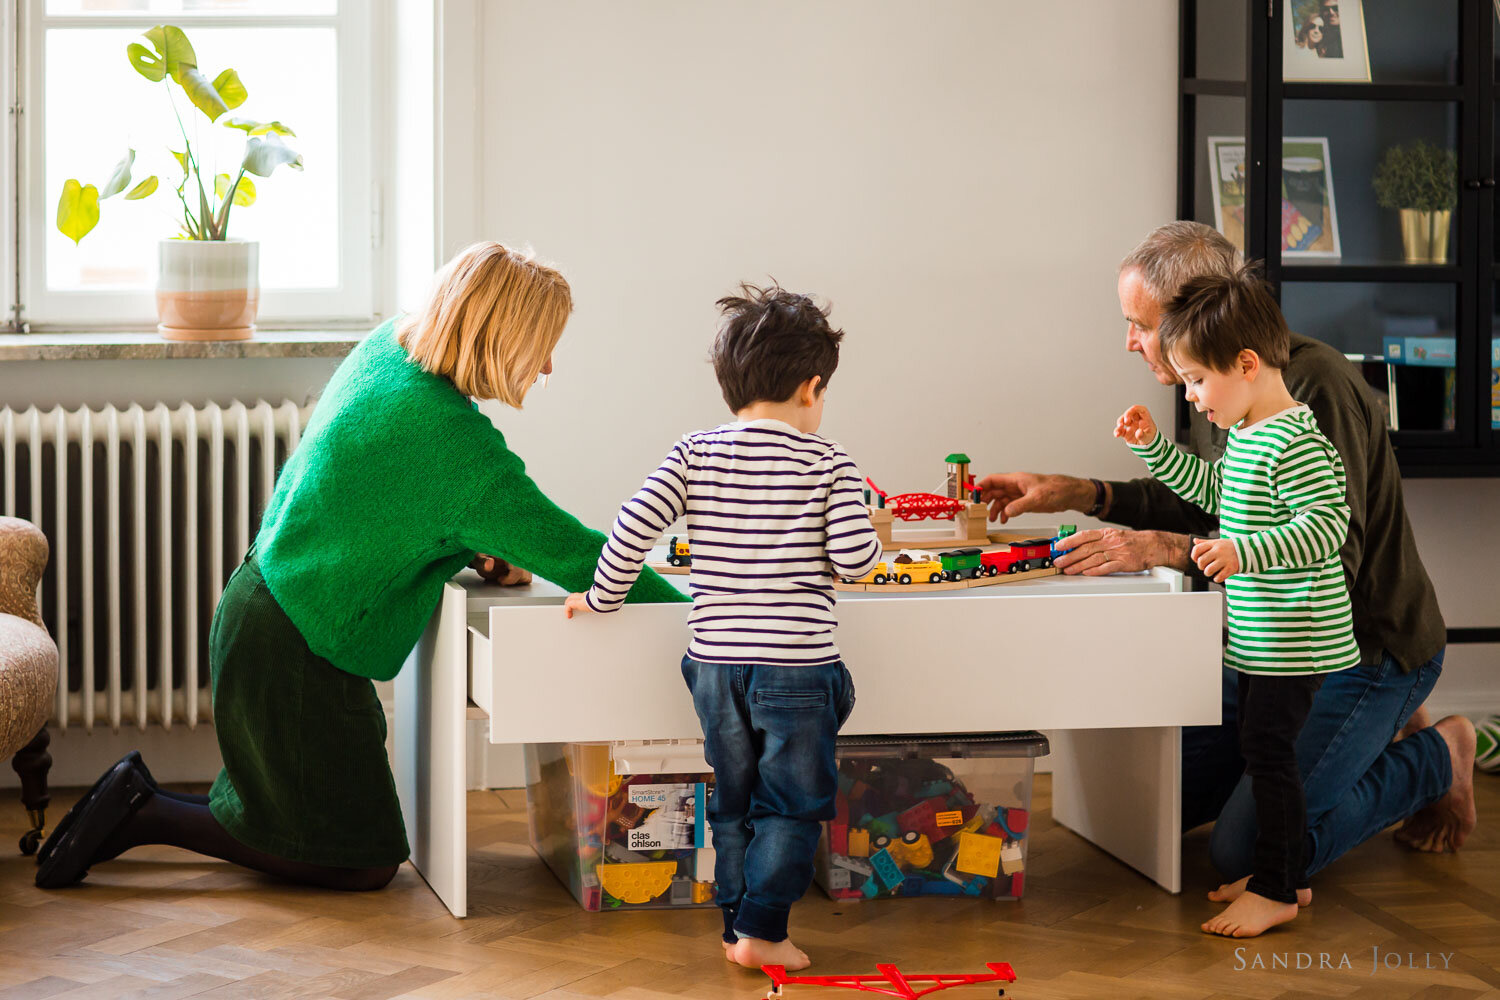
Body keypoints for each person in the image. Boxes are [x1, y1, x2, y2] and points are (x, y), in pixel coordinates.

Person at [35, 242, 687, 891]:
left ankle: (135, 797)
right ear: (503, 336)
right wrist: (693, 616)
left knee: (300, 818)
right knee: (360, 860)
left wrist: (474, 546)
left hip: (266, 608)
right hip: (296, 651)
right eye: (542, 346)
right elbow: (585, 554)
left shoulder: (391, 348)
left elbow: (379, 500)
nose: (546, 366)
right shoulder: (464, 454)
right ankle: (143, 813)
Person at [976, 221, 1476, 892]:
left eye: (1139, 322)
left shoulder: (1306, 387)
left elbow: (1332, 552)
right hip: (1270, 644)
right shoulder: (1224, 379)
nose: (1130, 341)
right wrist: (1078, 491)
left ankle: (1437, 755)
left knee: (1245, 849)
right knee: (1146, 795)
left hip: (1360, 649)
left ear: (1196, 308)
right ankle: (1347, 752)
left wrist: (1170, 550)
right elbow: (1214, 498)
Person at [564, 283, 880, 972]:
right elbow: (857, 562)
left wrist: (602, 598)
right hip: (796, 666)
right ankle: (764, 931)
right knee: (792, 807)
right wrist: (866, 530)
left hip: (714, 665)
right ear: (812, 385)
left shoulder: (692, 452)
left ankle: (739, 926)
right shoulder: (829, 460)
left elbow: (631, 526)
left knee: (731, 801)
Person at [1116, 268, 1359, 938]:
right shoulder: (1250, 433)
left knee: (1270, 758)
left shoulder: (1295, 439)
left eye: (1197, 380)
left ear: (1247, 364)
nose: (1192, 395)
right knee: (1263, 756)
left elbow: (1326, 527)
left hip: (1296, 639)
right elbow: (1215, 493)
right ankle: (1282, 876)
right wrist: (1153, 450)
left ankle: (1278, 888)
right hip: (1262, 638)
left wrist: (1243, 553)